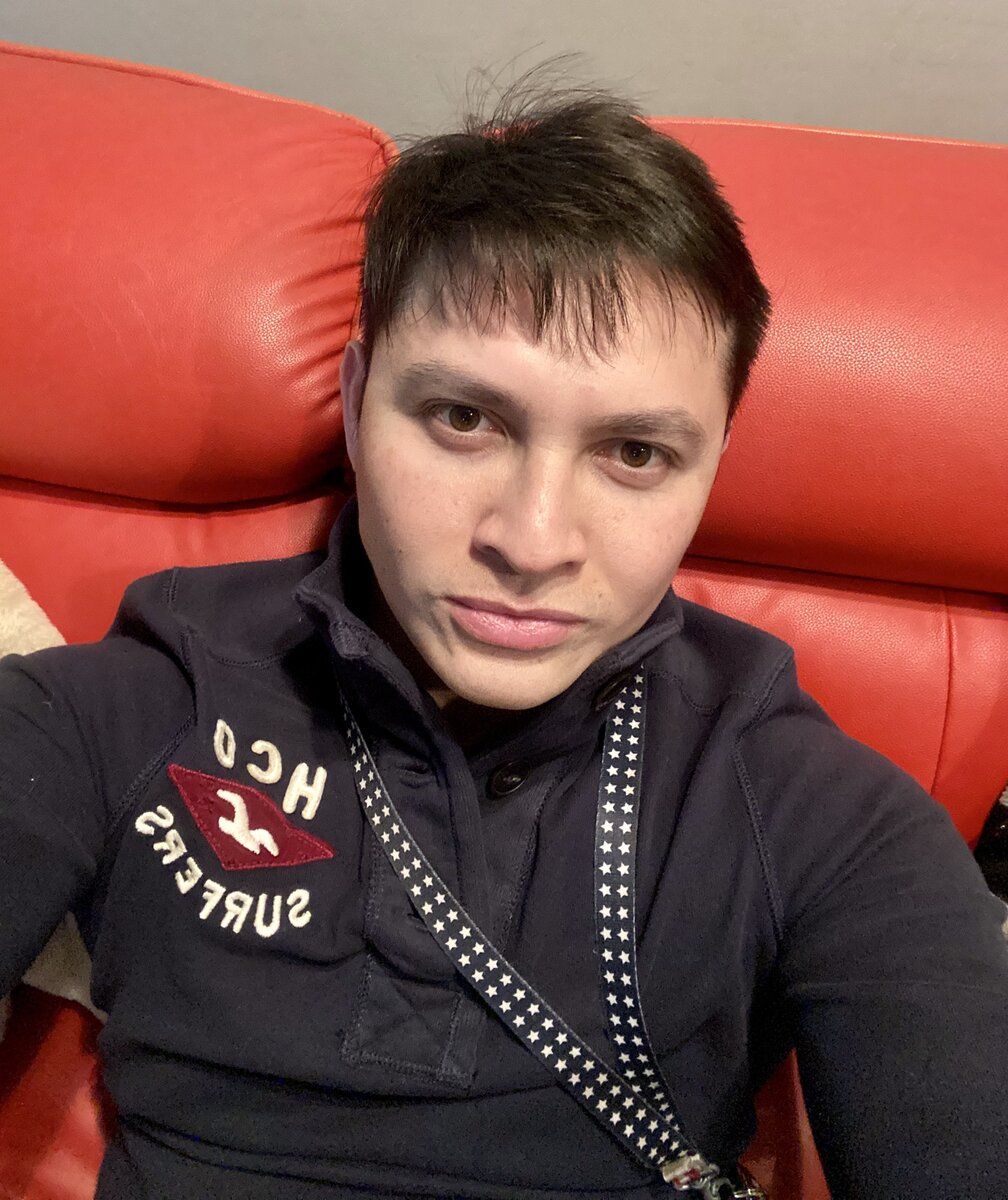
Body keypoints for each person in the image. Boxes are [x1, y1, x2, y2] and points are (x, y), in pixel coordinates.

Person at [2, 63, 1007, 1200]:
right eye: (464, 418)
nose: (532, 543)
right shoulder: (128, 706)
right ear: (355, 401)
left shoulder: (821, 817)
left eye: (635, 453)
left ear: (714, 462)